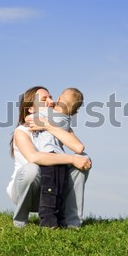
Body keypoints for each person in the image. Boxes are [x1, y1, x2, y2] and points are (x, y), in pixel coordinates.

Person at [6, 86, 91, 228]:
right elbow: (34, 157)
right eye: (45, 99)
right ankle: (20, 221)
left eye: (51, 97)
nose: (51, 102)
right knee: (32, 169)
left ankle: (72, 222)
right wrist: (71, 159)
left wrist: (48, 126)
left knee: (84, 158)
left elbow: (78, 147)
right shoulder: (21, 132)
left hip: (54, 189)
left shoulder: (55, 125)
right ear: (31, 109)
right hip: (28, 192)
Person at [26, 88, 84, 228]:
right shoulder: (66, 122)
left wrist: (39, 120)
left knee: (49, 192)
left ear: (59, 99)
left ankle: (48, 223)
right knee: (59, 193)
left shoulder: (47, 114)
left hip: (49, 157)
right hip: (61, 159)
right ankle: (62, 221)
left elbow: (29, 119)